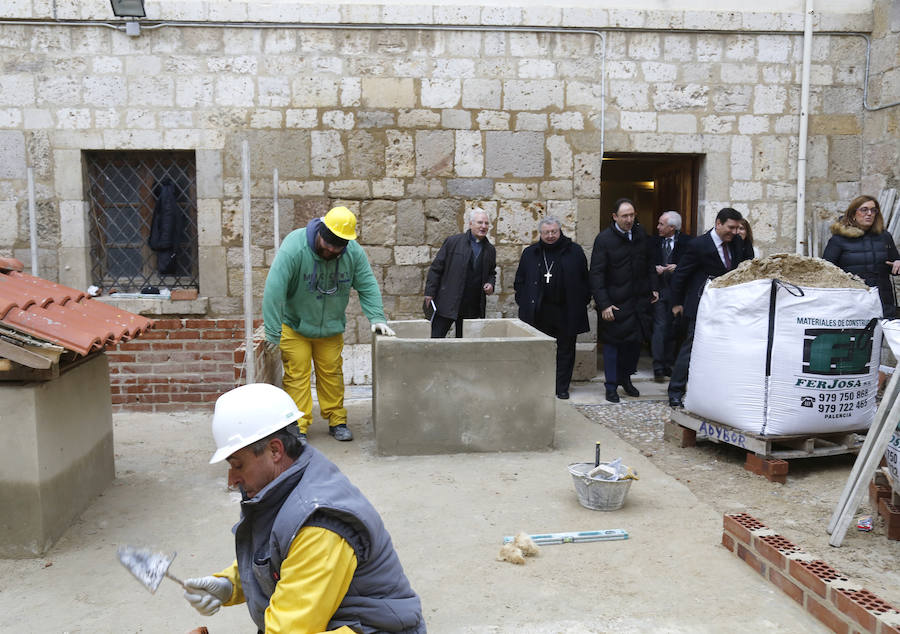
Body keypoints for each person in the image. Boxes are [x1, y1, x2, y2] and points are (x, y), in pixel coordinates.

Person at [182, 383, 425, 633]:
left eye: (238, 465)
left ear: (275, 450)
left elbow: (288, 630)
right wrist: (230, 585)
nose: (232, 479)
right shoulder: (286, 481)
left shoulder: (318, 526)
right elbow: (276, 554)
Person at [262, 206, 396, 442]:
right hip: (295, 325)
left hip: (330, 327)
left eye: (339, 245)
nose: (333, 249)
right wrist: (272, 332)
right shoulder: (295, 247)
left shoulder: (353, 253)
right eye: (329, 243)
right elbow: (274, 289)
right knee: (297, 374)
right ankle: (298, 426)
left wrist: (377, 318)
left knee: (332, 374)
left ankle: (337, 420)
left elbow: (367, 284)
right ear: (321, 232)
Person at [667, 207, 749, 408]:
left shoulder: (737, 243)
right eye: (730, 227)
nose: (734, 232)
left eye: (737, 228)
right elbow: (680, 276)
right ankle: (676, 391)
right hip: (701, 304)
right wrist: (676, 303)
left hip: (727, 306)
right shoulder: (698, 245)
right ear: (718, 223)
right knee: (691, 347)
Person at [590, 198, 659, 403]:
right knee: (612, 346)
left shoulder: (640, 235)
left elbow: (649, 264)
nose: (629, 219)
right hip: (614, 303)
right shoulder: (604, 239)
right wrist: (603, 304)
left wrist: (653, 287)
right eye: (624, 216)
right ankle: (611, 385)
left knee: (633, 345)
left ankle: (626, 379)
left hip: (638, 302)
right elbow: (596, 274)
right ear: (615, 217)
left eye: (631, 215)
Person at [514, 217, 591, 399]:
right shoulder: (530, 253)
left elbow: (585, 280)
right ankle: (540, 384)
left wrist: (581, 302)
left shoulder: (575, 251)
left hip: (566, 311)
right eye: (546, 232)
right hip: (539, 312)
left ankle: (561, 387)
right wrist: (523, 301)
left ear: (560, 231)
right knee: (539, 351)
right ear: (540, 233)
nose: (550, 236)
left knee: (565, 351)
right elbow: (520, 281)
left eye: (554, 232)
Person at [823, 195, 900, 319]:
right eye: (864, 210)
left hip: (883, 300)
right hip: (852, 301)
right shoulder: (839, 239)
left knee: (880, 337)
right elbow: (826, 270)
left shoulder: (884, 237)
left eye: (873, 210)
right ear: (854, 213)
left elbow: (894, 264)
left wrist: (897, 263)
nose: (869, 213)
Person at [424, 207, 497, 338]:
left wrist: (491, 284)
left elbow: (491, 272)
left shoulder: (490, 250)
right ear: (470, 224)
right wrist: (430, 293)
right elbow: (436, 268)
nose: (483, 226)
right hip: (447, 300)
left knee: (466, 343)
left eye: (486, 223)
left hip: (472, 305)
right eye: (480, 222)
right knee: (435, 337)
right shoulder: (453, 242)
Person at [650, 211, 692, 382]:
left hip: (678, 293)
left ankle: (668, 364)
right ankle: (658, 366)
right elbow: (644, 263)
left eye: (661, 224)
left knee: (674, 328)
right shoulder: (652, 242)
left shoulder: (688, 242)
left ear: (672, 227)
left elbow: (692, 264)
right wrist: (655, 269)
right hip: (659, 291)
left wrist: (679, 267)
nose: (658, 227)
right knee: (660, 327)